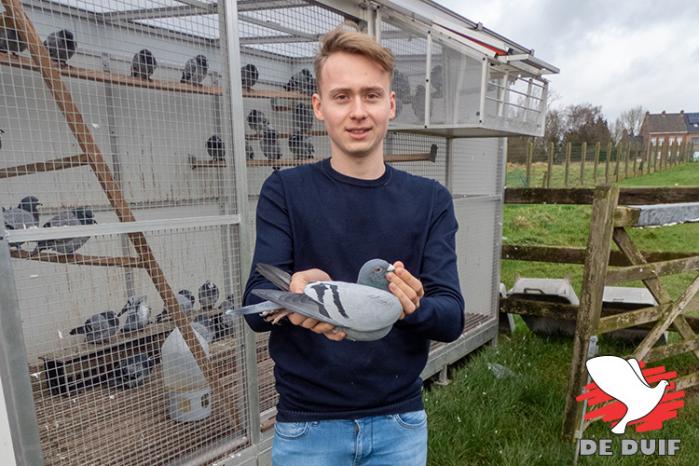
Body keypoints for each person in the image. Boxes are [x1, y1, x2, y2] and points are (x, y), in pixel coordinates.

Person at [242, 28, 465, 466]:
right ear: (319, 107)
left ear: (391, 105)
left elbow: (452, 316)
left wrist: (409, 304)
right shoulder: (284, 190)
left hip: (398, 423)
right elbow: (254, 303)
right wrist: (293, 289)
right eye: (342, 97)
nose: (358, 112)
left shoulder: (430, 200)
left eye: (372, 95)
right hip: (308, 427)